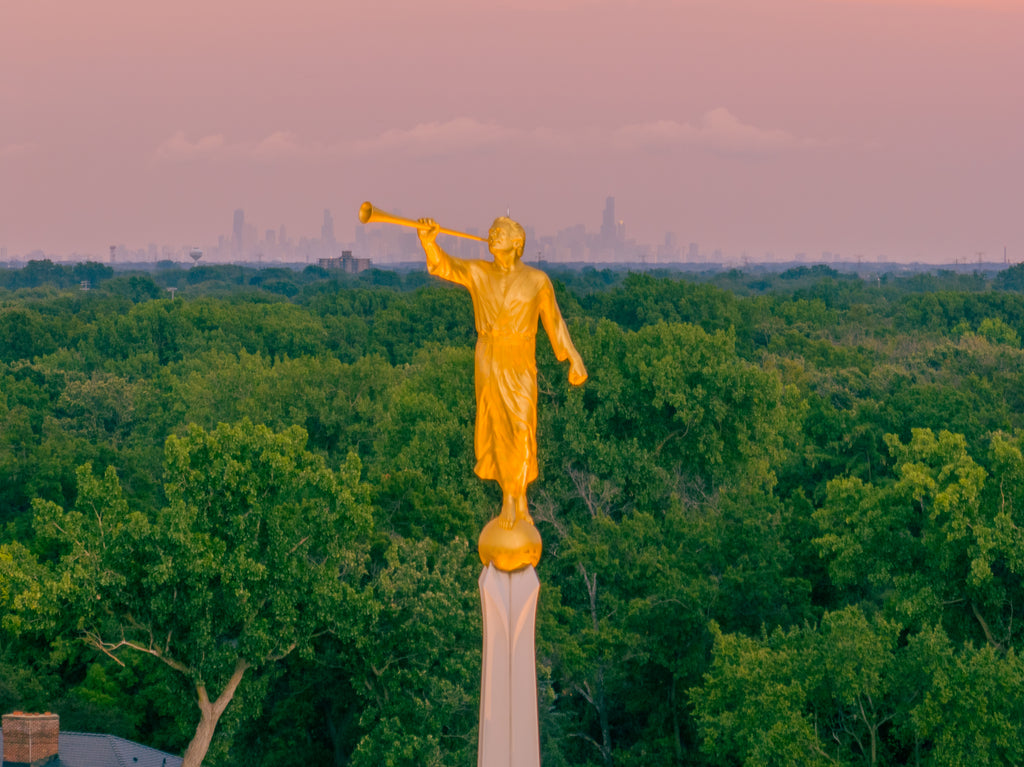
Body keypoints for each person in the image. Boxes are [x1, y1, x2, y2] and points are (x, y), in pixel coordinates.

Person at [418, 216, 587, 530]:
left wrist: (573, 357)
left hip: (520, 359)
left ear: (517, 242)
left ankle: (517, 495)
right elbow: (445, 266)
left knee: (522, 428)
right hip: (490, 357)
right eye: (491, 231)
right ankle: (511, 498)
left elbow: (554, 322)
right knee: (498, 429)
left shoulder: (537, 280)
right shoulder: (479, 271)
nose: (492, 234)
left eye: (500, 231)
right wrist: (429, 241)